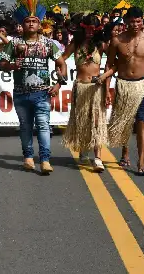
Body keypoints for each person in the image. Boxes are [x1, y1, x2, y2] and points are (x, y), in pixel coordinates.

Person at [0, 0, 63, 174]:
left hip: (42, 93)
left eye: (34, 21)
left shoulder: (48, 44)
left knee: (43, 126)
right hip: (20, 93)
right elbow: (2, 65)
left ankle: (44, 160)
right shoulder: (14, 43)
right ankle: (28, 157)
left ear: (39, 23)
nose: (31, 24)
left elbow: (62, 64)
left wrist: (59, 84)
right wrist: (12, 65)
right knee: (25, 127)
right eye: (28, 21)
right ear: (23, 24)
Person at [99, 6, 144, 176]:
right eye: (132, 21)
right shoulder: (117, 41)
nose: (135, 24)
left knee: (141, 122)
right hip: (123, 84)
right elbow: (110, 65)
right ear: (126, 22)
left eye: (138, 21)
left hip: (142, 85)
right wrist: (106, 90)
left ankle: (141, 162)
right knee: (125, 121)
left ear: (142, 22)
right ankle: (125, 154)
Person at [60, 15, 108, 172]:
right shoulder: (76, 44)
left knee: (96, 121)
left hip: (96, 88)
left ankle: (98, 158)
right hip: (80, 86)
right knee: (82, 121)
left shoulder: (101, 45)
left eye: (92, 29)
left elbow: (115, 63)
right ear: (82, 28)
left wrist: (104, 76)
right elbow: (61, 58)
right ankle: (83, 150)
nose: (89, 32)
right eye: (87, 29)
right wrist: (62, 71)